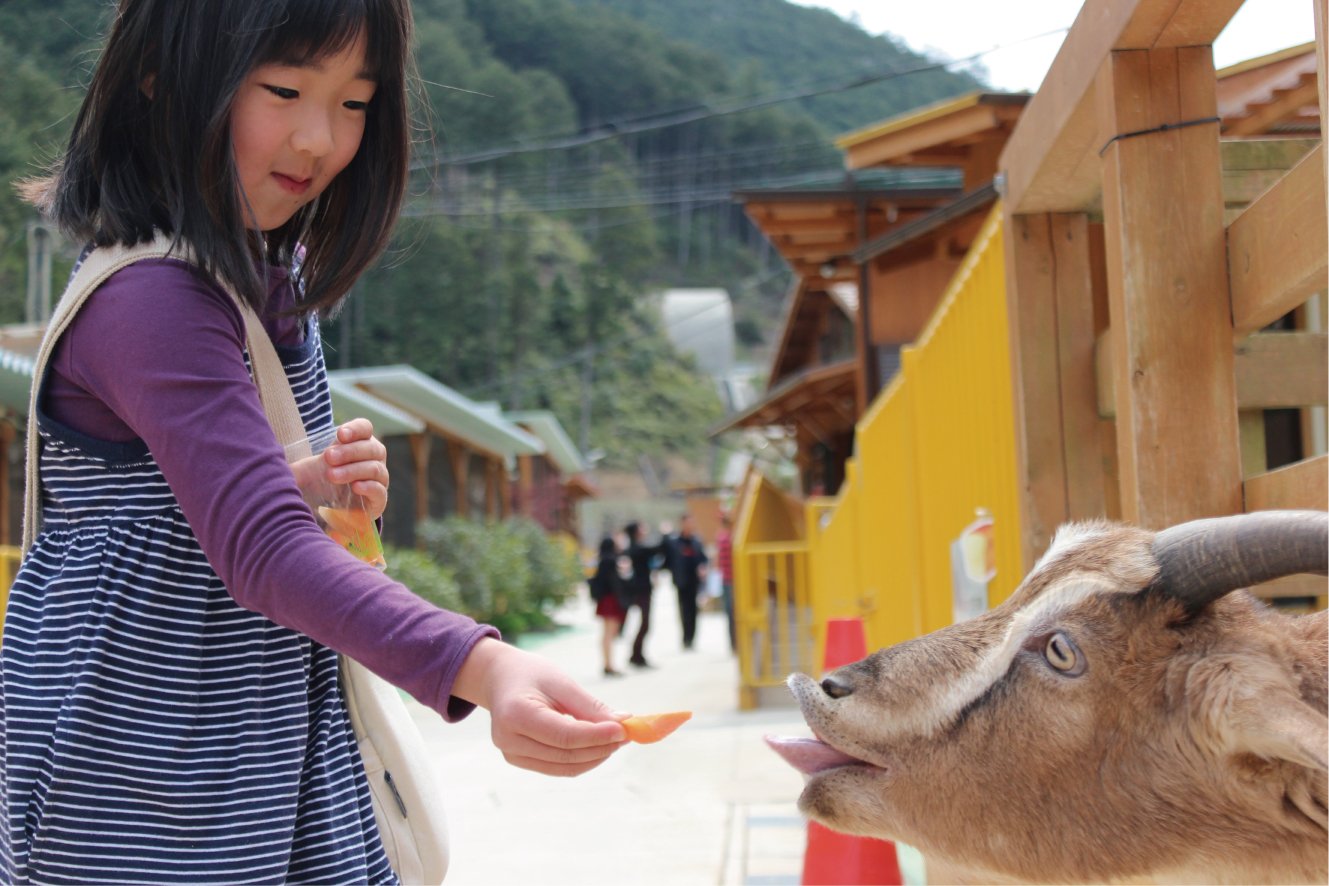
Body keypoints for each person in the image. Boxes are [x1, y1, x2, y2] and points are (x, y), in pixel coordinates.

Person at [3, 1, 626, 881]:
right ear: (158, 78)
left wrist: (297, 485)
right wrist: (481, 666)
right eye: (284, 90)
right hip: (148, 778)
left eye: (354, 102)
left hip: (267, 742)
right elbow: (260, 550)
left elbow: (189, 510)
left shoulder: (266, 276)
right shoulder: (153, 297)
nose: (318, 140)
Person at [623, 521, 667, 668]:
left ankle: (637, 655)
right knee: (645, 623)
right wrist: (665, 534)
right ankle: (636, 655)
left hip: (640, 590)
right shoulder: (637, 549)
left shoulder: (632, 548)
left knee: (645, 624)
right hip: (641, 591)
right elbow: (658, 548)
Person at [667, 514, 709, 650]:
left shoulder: (696, 541)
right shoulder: (675, 542)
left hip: (694, 581)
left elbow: (703, 558)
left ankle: (691, 638)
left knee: (693, 610)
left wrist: (703, 568)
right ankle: (685, 638)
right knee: (683, 610)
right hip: (681, 581)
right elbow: (669, 560)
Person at [588, 535, 629, 676]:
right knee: (609, 634)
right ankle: (608, 665)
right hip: (611, 600)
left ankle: (607, 664)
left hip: (605, 600)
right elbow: (615, 584)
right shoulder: (611, 561)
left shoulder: (601, 561)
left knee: (607, 633)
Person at [715, 510, 736, 652]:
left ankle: (734, 643)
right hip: (731, 580)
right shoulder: (730, 538)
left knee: (730, 612)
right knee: (732, 612)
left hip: (727, 579)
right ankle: (735, 643)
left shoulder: (721, 537)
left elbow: (717, 562)